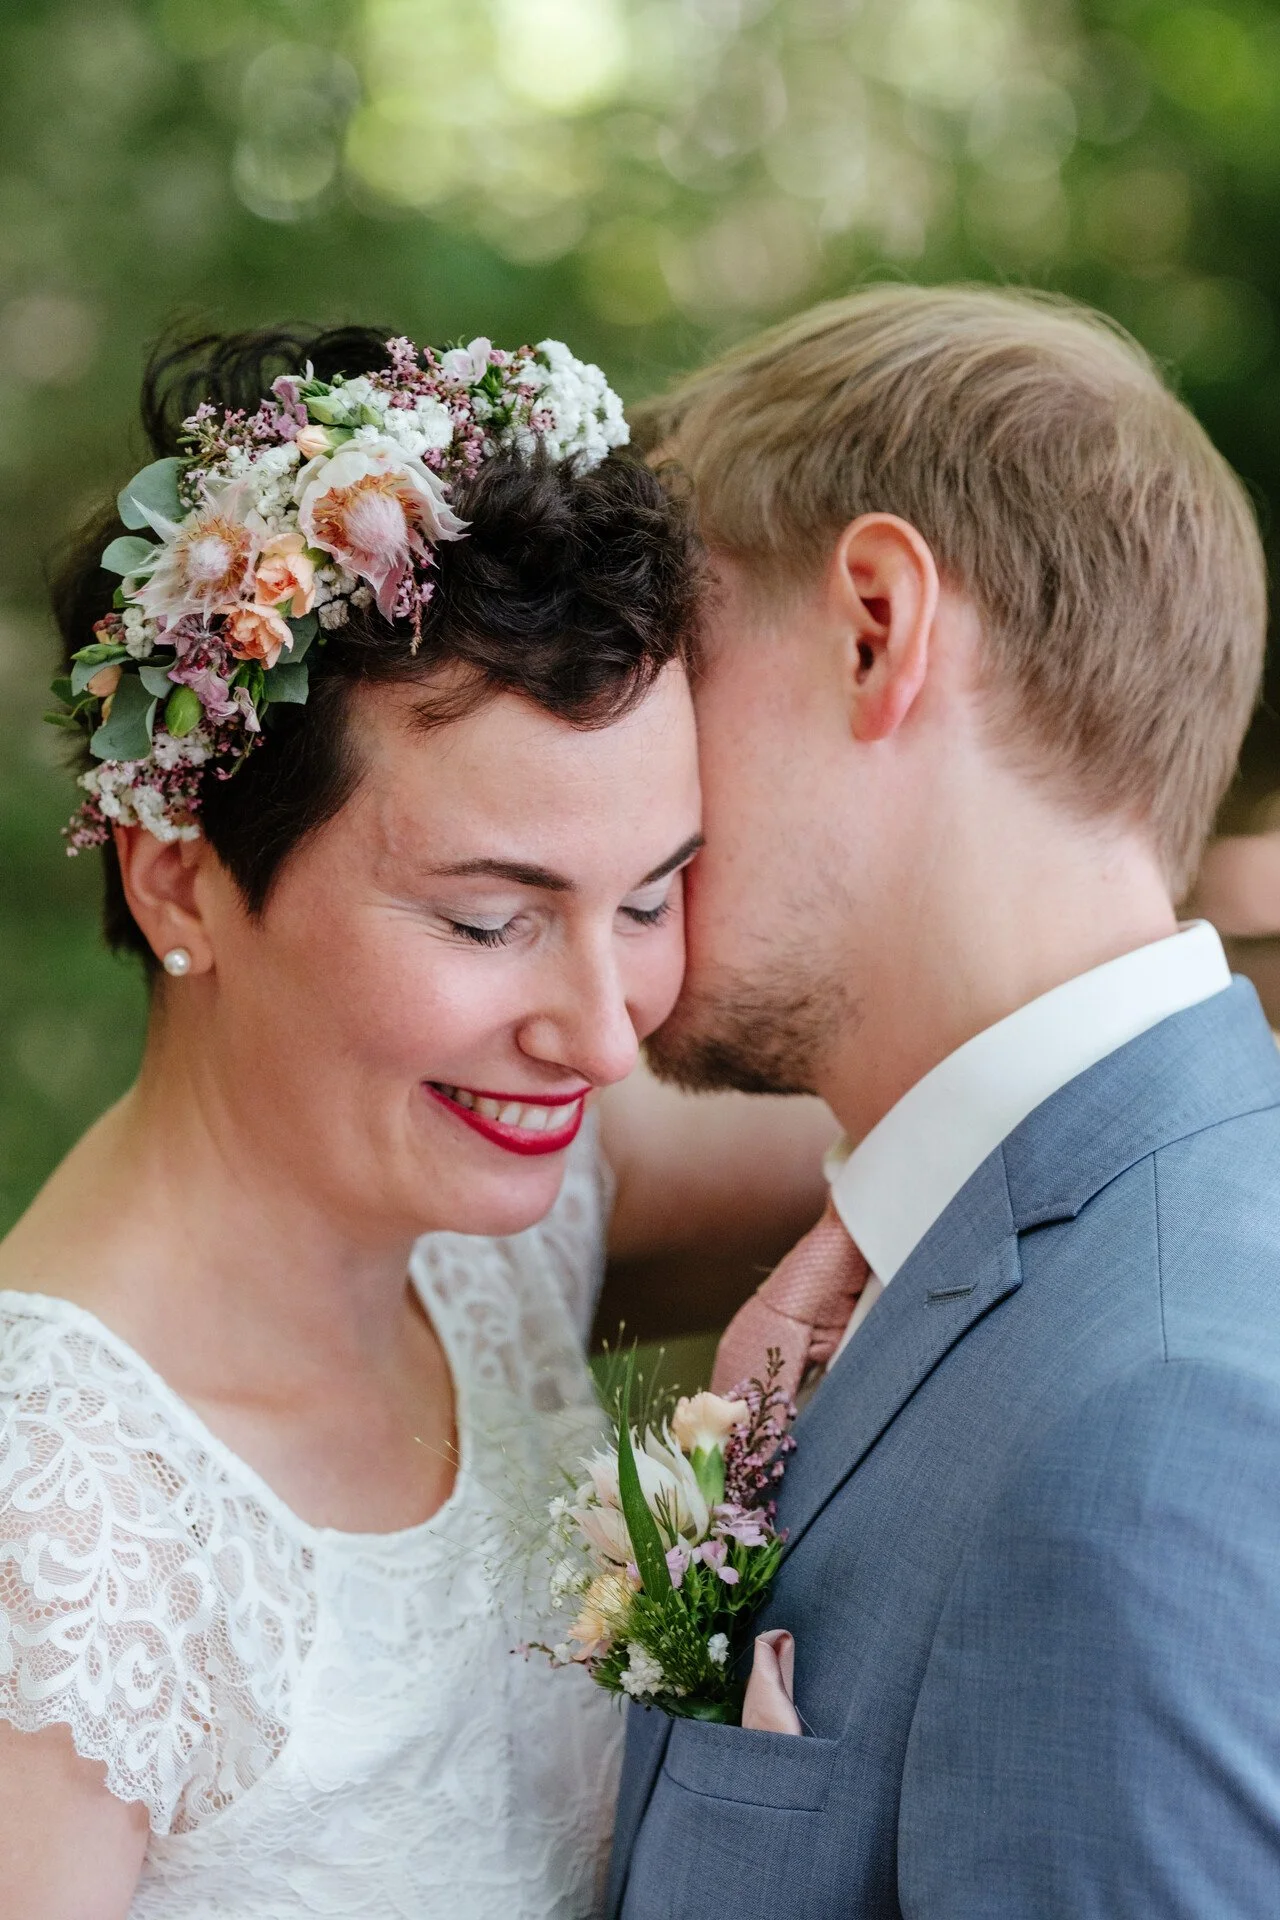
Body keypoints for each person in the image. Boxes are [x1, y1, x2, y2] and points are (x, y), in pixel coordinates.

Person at [0, 325, 833, 1920]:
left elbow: (981, 1106)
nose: (603, 1034)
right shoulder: (51, 1539)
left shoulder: (485, 1213)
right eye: (485, 923)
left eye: (650, 897)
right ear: (179, 873)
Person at [609, 284, 1280, 1917]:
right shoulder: (1013, 1254)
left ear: (876, 628)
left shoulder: (1159, 1414)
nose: (619, 769)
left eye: (664, 662)